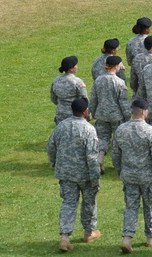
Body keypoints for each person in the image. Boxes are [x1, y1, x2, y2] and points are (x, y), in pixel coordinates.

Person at [111, 98, 152, 253]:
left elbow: (115, 154)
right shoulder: (151, 132)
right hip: (148, 177)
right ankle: (151, 237)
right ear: (143, 112)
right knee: (150, 206)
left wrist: (119, 170)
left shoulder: (121, 130)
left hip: (128, 175)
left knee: (131, 207)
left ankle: (127, 238)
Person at [47, 97, 100, 252]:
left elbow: (51, 147)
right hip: (84, 174)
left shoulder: (61, 126)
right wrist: (95, 178)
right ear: (85, 111)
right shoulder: (89, 129)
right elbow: (91, 157)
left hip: (65, 173)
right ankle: (89, 232)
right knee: (89, 202)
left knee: (68, 203)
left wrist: (55, 164)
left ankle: (65, 237)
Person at [89, 54, 129, 173]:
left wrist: (93, 112)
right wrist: (127, 117)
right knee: (118, 140)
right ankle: (119, 164)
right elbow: (123, 102)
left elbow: (93, 99)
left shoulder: (98, 80)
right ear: (116, 66)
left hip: (101, 114)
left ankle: (100, 158)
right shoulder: (119, 82)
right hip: (116, 115)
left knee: (102, 138)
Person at [51, 56, 87, 125]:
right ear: (71, 69)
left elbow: (53, 97)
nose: (77, 66)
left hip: (60, 113)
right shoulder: (78, 82)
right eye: (75, 65)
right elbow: (84, 100)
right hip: (75, 114)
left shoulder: (56, 80)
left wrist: (61, 105)